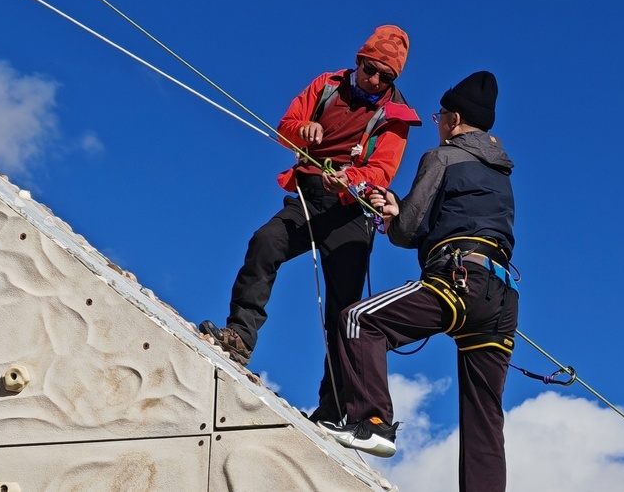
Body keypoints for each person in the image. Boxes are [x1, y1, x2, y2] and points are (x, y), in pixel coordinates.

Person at [200, 25, 420, 425]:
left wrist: (352, 179)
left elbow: (382, 169)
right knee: (265, 242)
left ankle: (334, 407)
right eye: (370, 70)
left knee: (344, 311)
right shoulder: (326, 85)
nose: (375, 81)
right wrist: (303, 131)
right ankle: (239, 337)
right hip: (310, 196)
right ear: (358, 61)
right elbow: (286, 129)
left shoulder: (398, 116)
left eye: (385, 77)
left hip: (351, 213)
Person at [323, 71, 518, 492]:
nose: (438, 122)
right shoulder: (502, 175)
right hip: (501, 299)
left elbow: (409, 230)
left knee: (359, 320)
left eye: (440, 115)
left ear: (455, 119)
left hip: (457, 280)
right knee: (484, 414)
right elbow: (462, 222)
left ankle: (371, 422)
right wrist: (404, 212)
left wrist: (394, 215)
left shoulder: (442, 156)